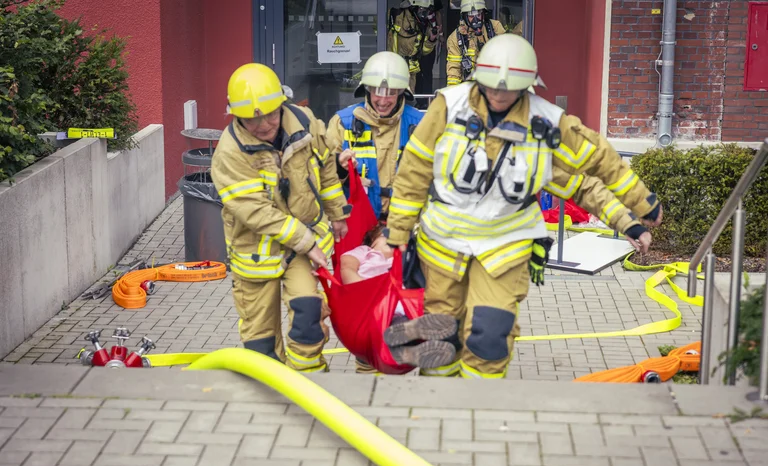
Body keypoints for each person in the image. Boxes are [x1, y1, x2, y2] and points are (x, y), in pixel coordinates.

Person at [386, 34, 664, 379]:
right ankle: (440, 410)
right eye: (492, 87)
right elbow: (414, 170)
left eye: (509, 89)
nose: (499, 96)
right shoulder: (448, 105)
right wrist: (396, 232)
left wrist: (635, 213)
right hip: (442, 245)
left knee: (490, 335)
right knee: (441, 337)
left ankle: (480, 410)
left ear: (528, 86)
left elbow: (592, 168)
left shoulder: (546, 123)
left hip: (505, 248)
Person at [211, 63, 350, 373]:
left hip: (302, 247)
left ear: (281, 103)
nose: (263, 125)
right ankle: (271, 402)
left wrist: (337, 212)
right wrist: (305, 240)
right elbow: (256, 212)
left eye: (270, 114)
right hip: (257, 254)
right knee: (260, 344)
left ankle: (311, 383)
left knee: (307, 315)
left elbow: (325, 167)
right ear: (236, 115)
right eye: (253, 118)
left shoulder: (305, 121)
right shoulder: (230, 153)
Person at [339, 224, 457, 370]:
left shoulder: (406, 259)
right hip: (370, 307)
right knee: (380, 332)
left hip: (402, 305)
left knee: (400, 323)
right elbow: (347, 268)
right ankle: (409, 343)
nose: (391, 239)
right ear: (372, 242)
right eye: (385, 235)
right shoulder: (365, 252)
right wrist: (368, 293)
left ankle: (410, 348)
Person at [327, 51, 425, 221]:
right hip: (356, 224)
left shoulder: (421, 125)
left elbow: (435, 184)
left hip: (405, 227)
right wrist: (338, 166)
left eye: (391, 92)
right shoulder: (342, 123)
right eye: (377, 91)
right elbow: (324, 179)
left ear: (402, 92)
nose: (383, 100)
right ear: (367, 89)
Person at [446, 0, 506, 86]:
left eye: (478, 14)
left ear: (483, 14)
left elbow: (506, 56)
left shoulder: (495, 28)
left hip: (493, 85)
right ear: (464, 16)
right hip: (469, 88)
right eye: (471, 15)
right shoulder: (455, 38)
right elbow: (454, 70)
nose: (476, 19)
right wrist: (453, 94)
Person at [387, 0, 440, 92]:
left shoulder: (424, 25)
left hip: (411, 71)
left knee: (408, 96)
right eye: (422, 10)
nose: (425, 14)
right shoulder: (395, 15)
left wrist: (431, 39)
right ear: (413, 7)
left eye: (427, 11)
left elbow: (424, 51)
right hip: (394, 67)